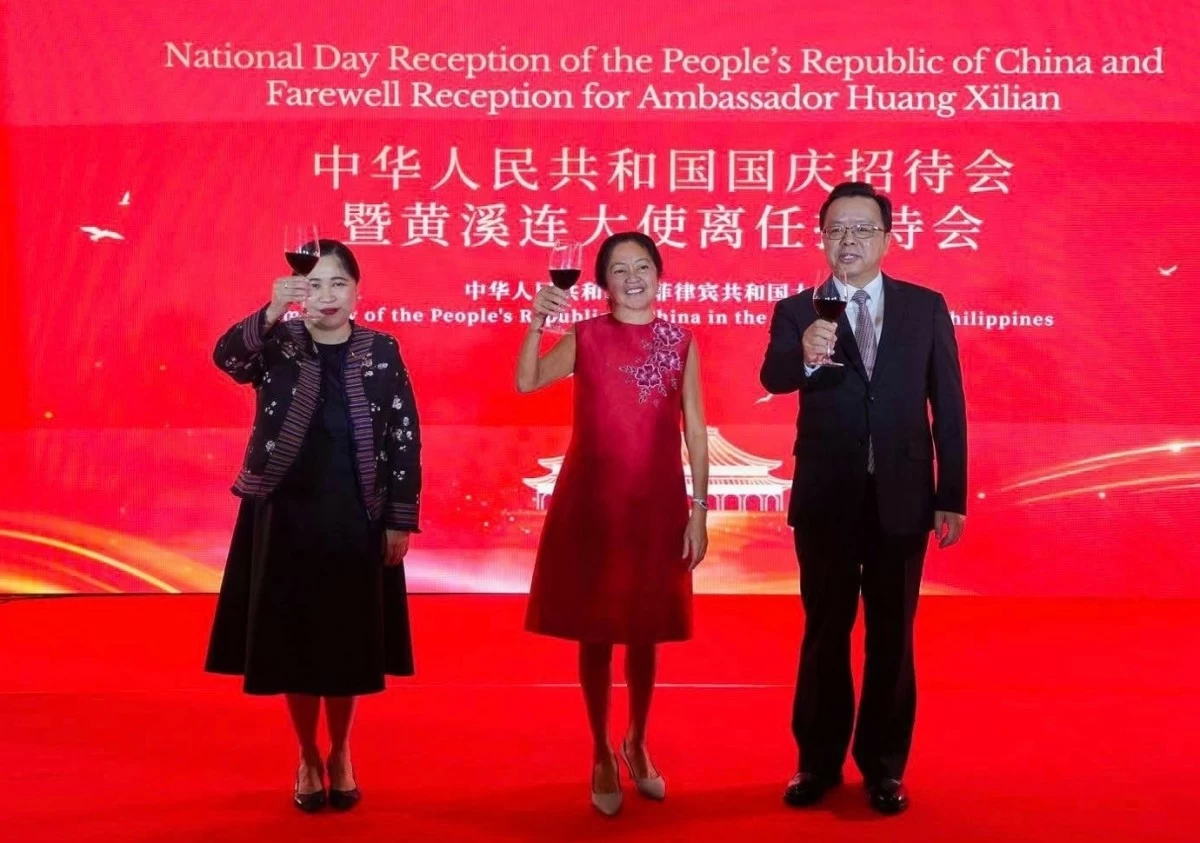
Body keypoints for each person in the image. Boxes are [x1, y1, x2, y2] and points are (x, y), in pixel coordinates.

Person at [759, 182, 967, 815]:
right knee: (824, 632)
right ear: (822, 238)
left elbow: (948, 406)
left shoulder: (924, 308)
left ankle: (883, 767)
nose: (848, 240)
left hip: (902, 496)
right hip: (827, 498)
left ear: (886, 238)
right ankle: (816, 764)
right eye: (837, 230)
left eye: (862, 229)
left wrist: (950, 494)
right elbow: (773, 377)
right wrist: (803, 355)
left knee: (891, 636)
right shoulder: (800, 310)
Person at [205, 239, 422, 813]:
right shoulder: (278, 342)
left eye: (339, 284)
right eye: (316, 284)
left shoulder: (382, 349)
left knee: (347, 645)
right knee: (295, 644)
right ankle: (307, 753)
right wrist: (271, 310)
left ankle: (343, 750)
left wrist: (400, 518)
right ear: (300, 291)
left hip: (357, 515)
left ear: (357, 293)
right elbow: (226, 358)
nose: (327, 295)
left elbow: (404, 437)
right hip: (285, 513)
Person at [516, 232, 710, 816]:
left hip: (657, 504)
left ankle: (638, 741)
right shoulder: (588, 337)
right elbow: (527, 382)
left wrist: (699, 509)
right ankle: (601, 747)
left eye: (642, 266)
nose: (633, 277)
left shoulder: (680, 341)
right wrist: (535, 326)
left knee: (647, 628)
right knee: (595, 629)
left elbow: (695, 428)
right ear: (602, 283)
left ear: (659, 274)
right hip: (592, 503)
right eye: (620, 269)